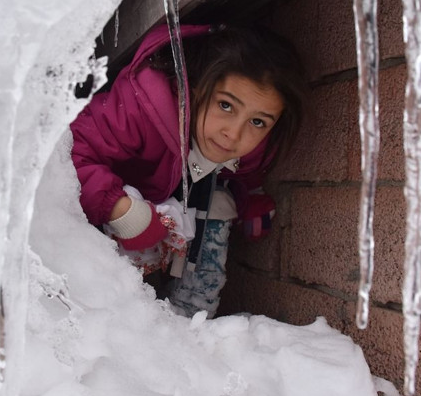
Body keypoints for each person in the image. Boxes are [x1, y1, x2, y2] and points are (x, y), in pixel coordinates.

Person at [70, 23, 306, 317]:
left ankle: (192, 311)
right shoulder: (142, 107)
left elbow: (244, 171)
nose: (233, 134)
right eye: (225, 105)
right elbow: (71, 150)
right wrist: (120, 209)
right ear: (195, 87)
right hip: (115, 208)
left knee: (220, 199)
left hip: (174, 211)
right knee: (110, 290)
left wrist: (252, 199)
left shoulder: (251, 146)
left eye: (258, 122)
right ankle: (120, 311)